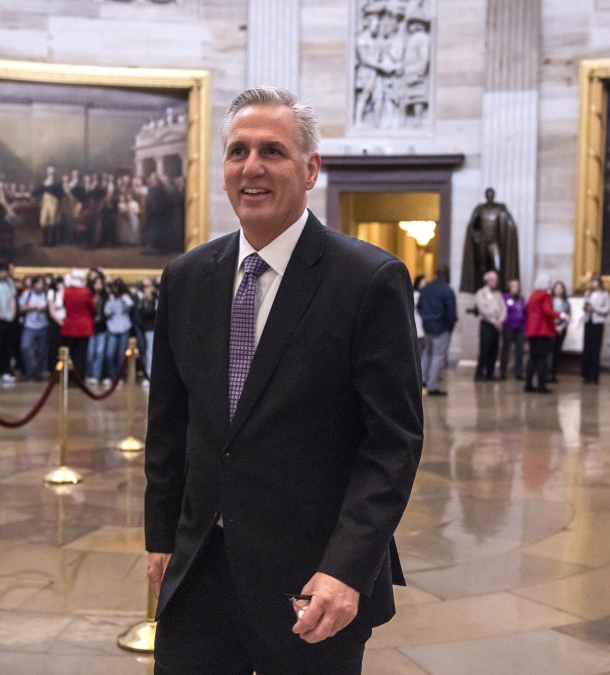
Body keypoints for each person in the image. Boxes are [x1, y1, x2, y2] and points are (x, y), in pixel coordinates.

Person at [145, 87, 423, 674]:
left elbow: (392, 442)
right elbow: (169, 425)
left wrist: (348, 568)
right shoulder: (187, 277)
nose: (252, 167)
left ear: (310, 168)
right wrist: (160, 535)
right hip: (198, 571)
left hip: (313, 583)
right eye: (237, 151)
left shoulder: (368, 280)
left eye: (272, 151)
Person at [459, 187, 520, 293]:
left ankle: (498, 288)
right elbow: (472, 226)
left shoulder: (500, 208)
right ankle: (482, 288)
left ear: (494, 195)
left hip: (494, 242)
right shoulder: (480, 209)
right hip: (483, 241)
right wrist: (476, 237)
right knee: (482, 266)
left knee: (497, 264)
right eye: (488, 194)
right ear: (486, 195)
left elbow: (509, 223)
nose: (490, 196)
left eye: (491, 194)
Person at [417, 264, 457, 396]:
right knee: (438, 356)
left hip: (427, 326)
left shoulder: (426, 288)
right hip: (441, 327)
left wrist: (426, 319)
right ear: (446, 275)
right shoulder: (447, 290)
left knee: (427, 354)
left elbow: (420, 306)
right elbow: (451, 313)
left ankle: (421, 381)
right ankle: (432, 386)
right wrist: (449, 327)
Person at [524, 273, 559, 393]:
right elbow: (547, 311)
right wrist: (561, 315)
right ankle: (541, 385)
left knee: (532, 358)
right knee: (542, 359)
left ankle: (528, 384)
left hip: (532, 331)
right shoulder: (545, 295)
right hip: (542, 331)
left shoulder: (533, 295)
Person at [474, 270, 505, 381]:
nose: (494, 281)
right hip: (487, 324)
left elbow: (503, 308)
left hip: (497, 326)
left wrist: (501, 319)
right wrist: (493, 320)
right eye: (492, 279)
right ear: (487, 280)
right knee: (485, 349)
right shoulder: (480, 293)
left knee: (494, 350)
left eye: (495, 279)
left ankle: (490, 373)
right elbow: (483, 309)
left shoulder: (498, 294)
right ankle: (479, 372)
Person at [18, 275, 50, 382]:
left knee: (41, 351)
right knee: (25, 347)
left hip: (43, 325)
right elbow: (21, 308)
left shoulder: (46, 294)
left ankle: (38, 373)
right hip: (29, 325)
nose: (39, 286)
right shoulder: (27, 294)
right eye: (37, 283)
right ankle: (29, 371)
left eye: (41, 283)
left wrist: (45, 309)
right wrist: (32, 307)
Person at [581, 276, 610, 384]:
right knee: (587, 347)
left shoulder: (605, 294)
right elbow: (584, 306)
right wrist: (586, 307)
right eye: (593, 282)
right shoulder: (588, 293)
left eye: (596, 282)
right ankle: (586, 374)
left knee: (595, 348)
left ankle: (594, 375)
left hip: (598, 322)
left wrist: (595, 308)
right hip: (589, 321)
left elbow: (606, 309)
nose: (594, 284)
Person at [500, 279, 526, 380]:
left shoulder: (521, 298)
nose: (515, 288)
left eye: (517, 286)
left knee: (519, 350)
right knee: (506, 349)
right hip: (508, 326)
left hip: (520, 327)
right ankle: (503, 372)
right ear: (509, 287)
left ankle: (519, 372)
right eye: (513, 286)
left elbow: (525, 311)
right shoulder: (505, 297)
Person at [549, 281, 571, 382]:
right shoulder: (549, 300)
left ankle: (554, 373)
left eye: (560, 288)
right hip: (550, 329)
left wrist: (561, 327)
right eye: (557, 288)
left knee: (557, 352)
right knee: (549, 352)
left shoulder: (566, 303)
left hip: (561, 330)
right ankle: (547, 373)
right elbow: (549, 314)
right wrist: (554, 326)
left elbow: (568, 317)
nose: (558, 290)